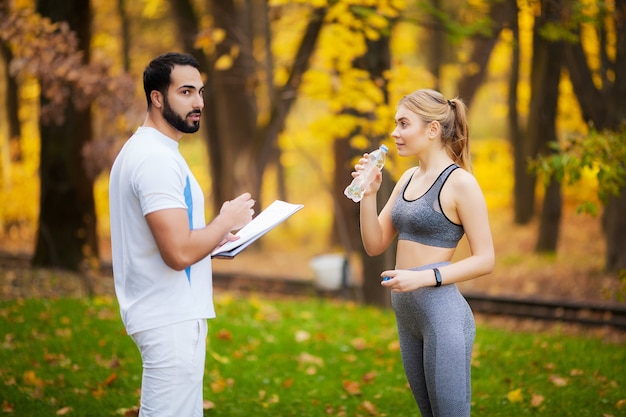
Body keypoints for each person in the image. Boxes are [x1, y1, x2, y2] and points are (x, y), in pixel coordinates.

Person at [109, 52, 255, 417]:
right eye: (186, 92)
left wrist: (215, 238)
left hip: (168, 314)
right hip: (169, 318)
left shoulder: (151, 151)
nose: (198, 103)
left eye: (201, 92)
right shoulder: (154, 159)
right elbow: (177, 253)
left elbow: (177, 241)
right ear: (157, 97)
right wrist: (225, 220)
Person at [352, 89, 494, 416]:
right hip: (408, 315)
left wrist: (423, 278)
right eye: (395, 124)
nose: (394, 133)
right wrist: (368, 195)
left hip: (442, 315)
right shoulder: (407, 178)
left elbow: (486, 259)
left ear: (432, 130)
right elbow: (374, 246)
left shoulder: (461, 184)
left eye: (403, 124)